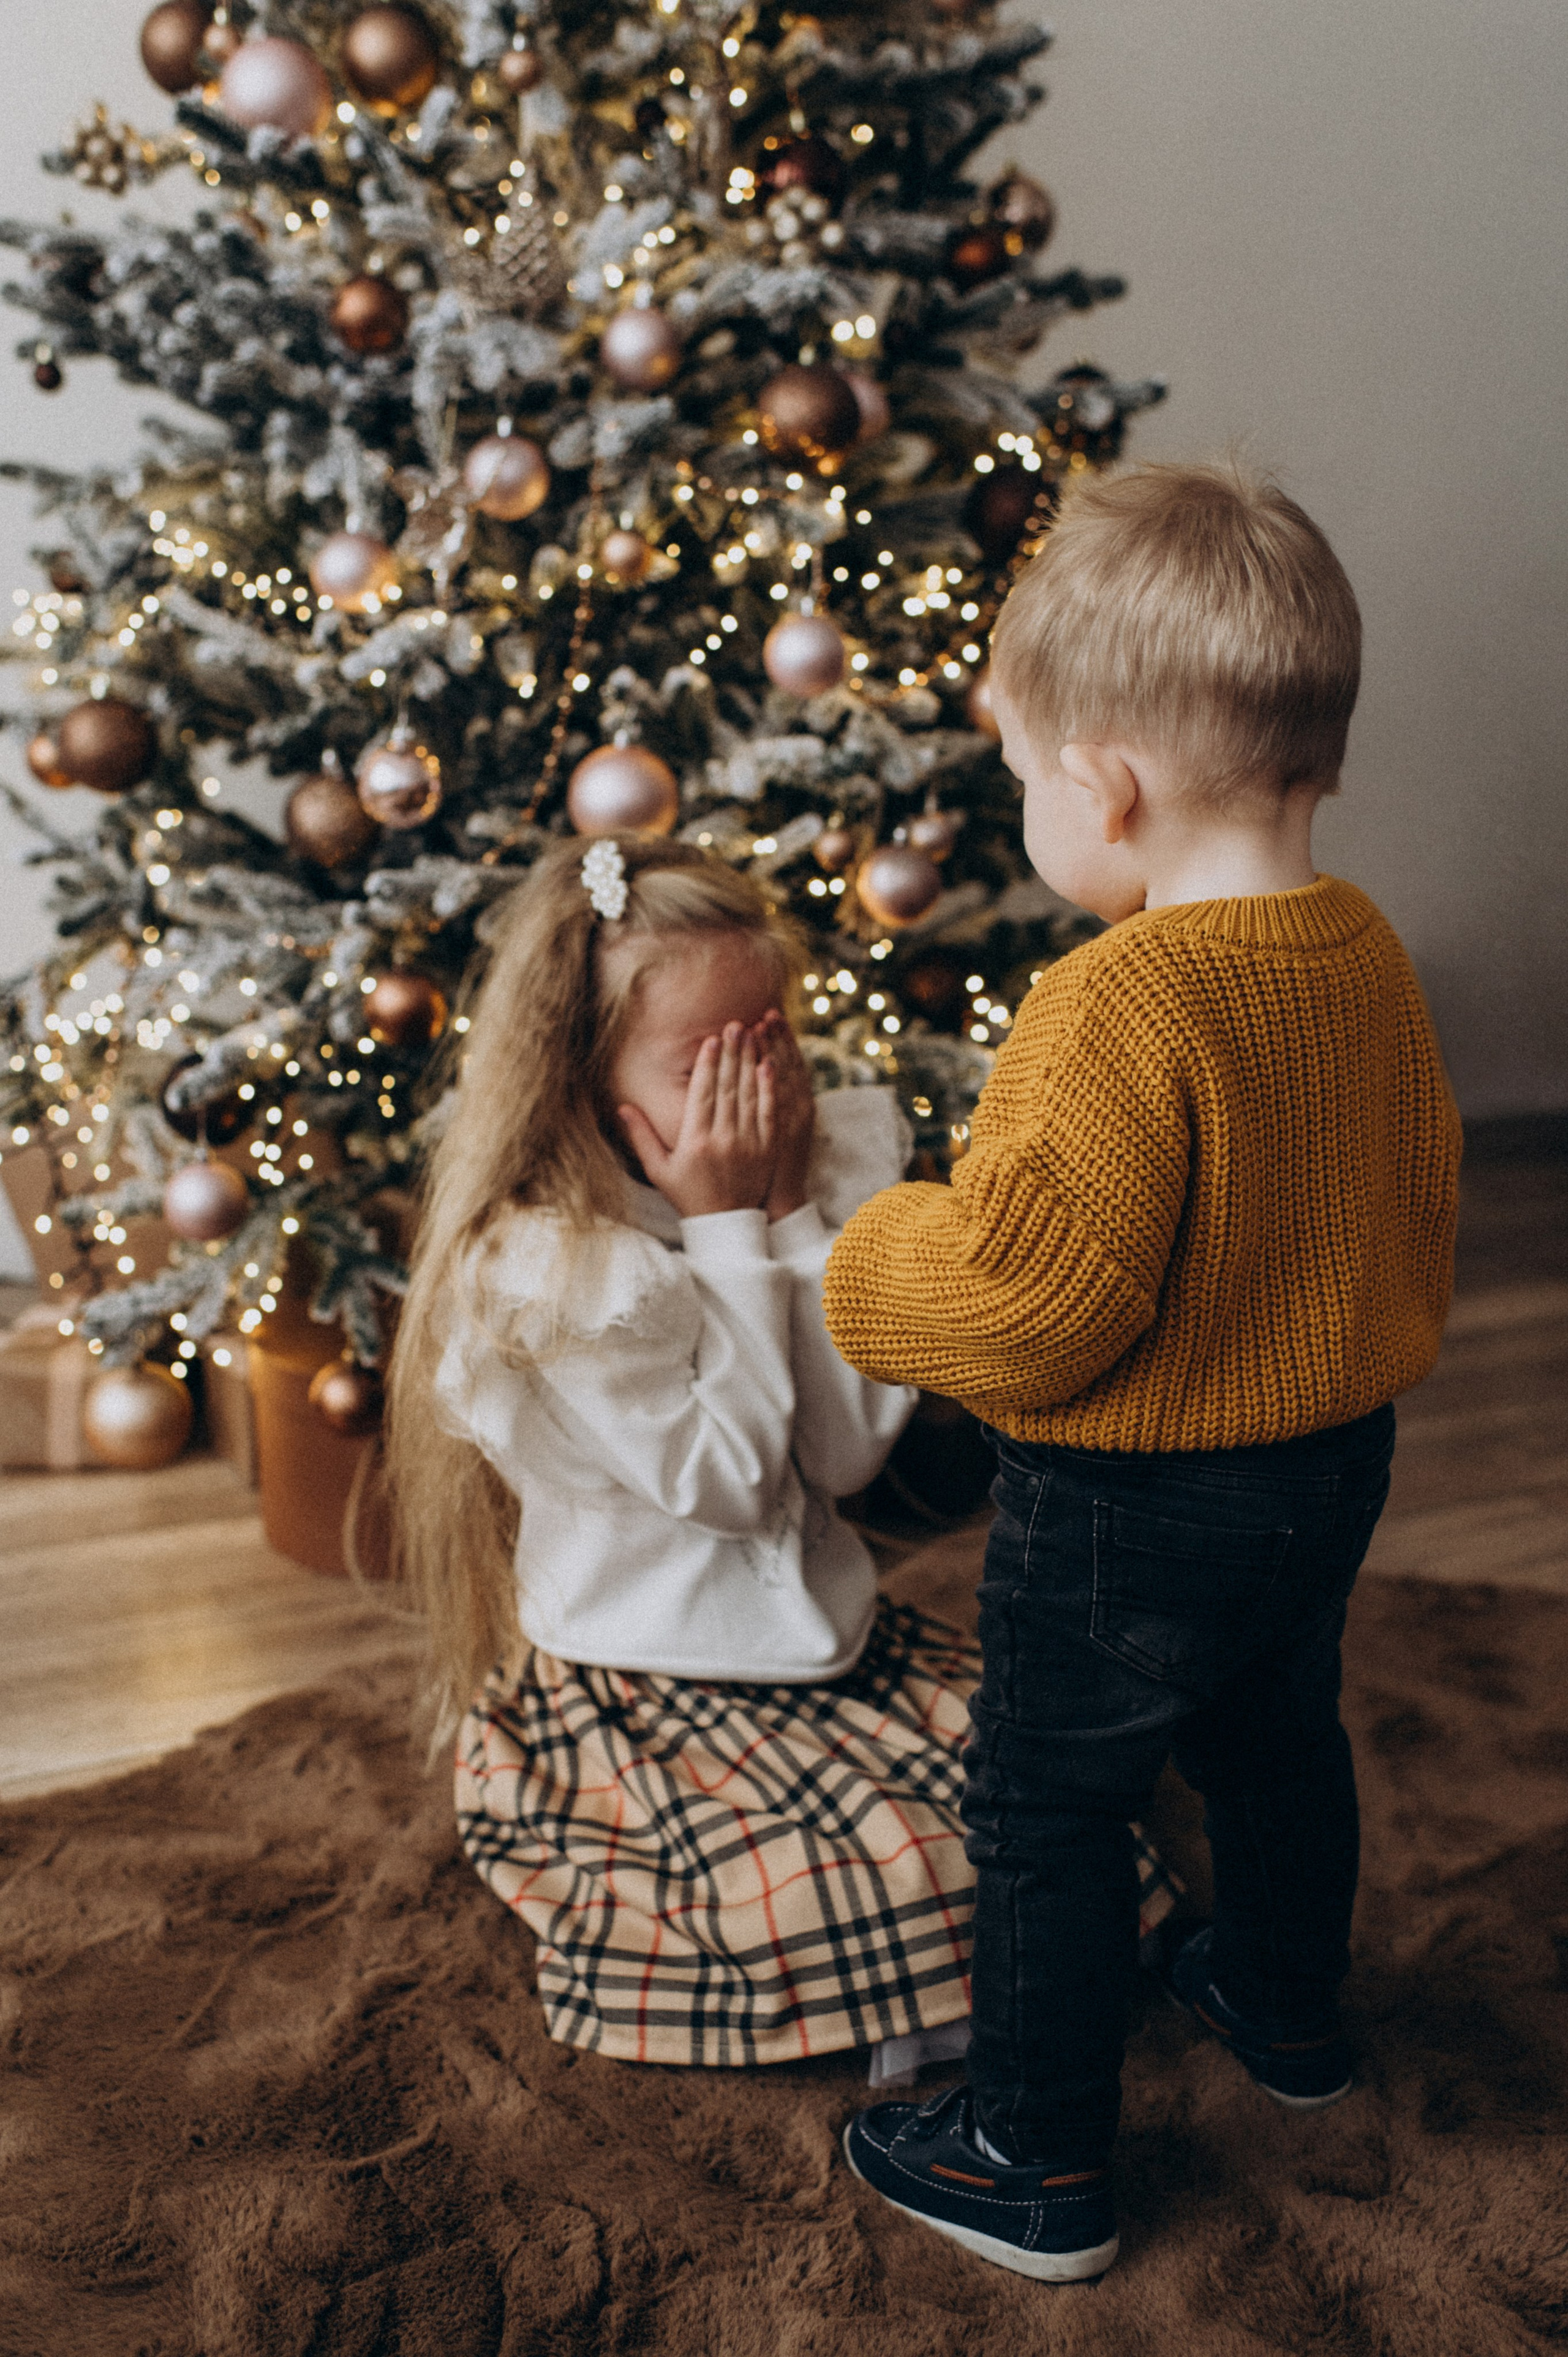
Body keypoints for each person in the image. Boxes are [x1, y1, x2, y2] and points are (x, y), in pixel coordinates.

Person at [823, 461, 1463, 2280]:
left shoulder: (1110, 1006)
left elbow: (1032, 1309)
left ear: (1099, 783)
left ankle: (1032, 2154)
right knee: (1274, 1736)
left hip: (1131, 1507)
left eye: (1023, 775)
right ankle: (1283, 2007)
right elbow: (1415, 1190)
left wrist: (867, 1258)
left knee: (1046, 1805)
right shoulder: (1365, 953)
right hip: (1332, 1464)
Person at [386, 835, 1180, 2078]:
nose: (755, 1076)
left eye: (771, 1035)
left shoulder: (787, 1176)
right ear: (586, 1079)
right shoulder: (555, 1269)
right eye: (710, 1056)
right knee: (887, 1882)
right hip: (651, 1680)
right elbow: (733, 1485)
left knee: (1055, 1791)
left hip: (828, 1643)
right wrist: (722, 1228)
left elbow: (844, 1457)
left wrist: (790, 1216)